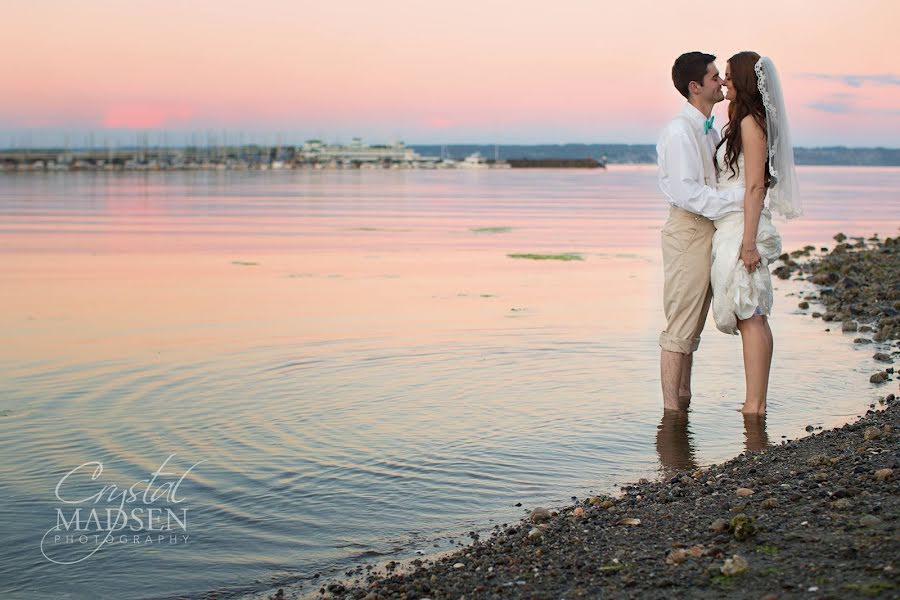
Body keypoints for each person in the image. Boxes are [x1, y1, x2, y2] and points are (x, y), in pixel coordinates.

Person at [710, 52, 802, 415]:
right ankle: (755, 403)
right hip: (736, 223)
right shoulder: (744, 120)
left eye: (730, 76)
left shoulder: (751, 123)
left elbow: (754, 188)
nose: (724, 82)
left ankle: (754, 404)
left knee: (751, 314)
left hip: (744, 226)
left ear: (745, 81)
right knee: (754, 313)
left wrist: (748, 244)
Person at [656, 52, 746, 412]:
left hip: (707, 229)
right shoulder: (680, 132)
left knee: (692, 327)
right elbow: (688, 194)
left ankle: (683, 406)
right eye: (713, 77)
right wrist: (742, 200)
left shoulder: (706, 129)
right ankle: (671, 417)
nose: (721, 82)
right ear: (695, 87)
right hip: (688, 230)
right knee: (680, 326)